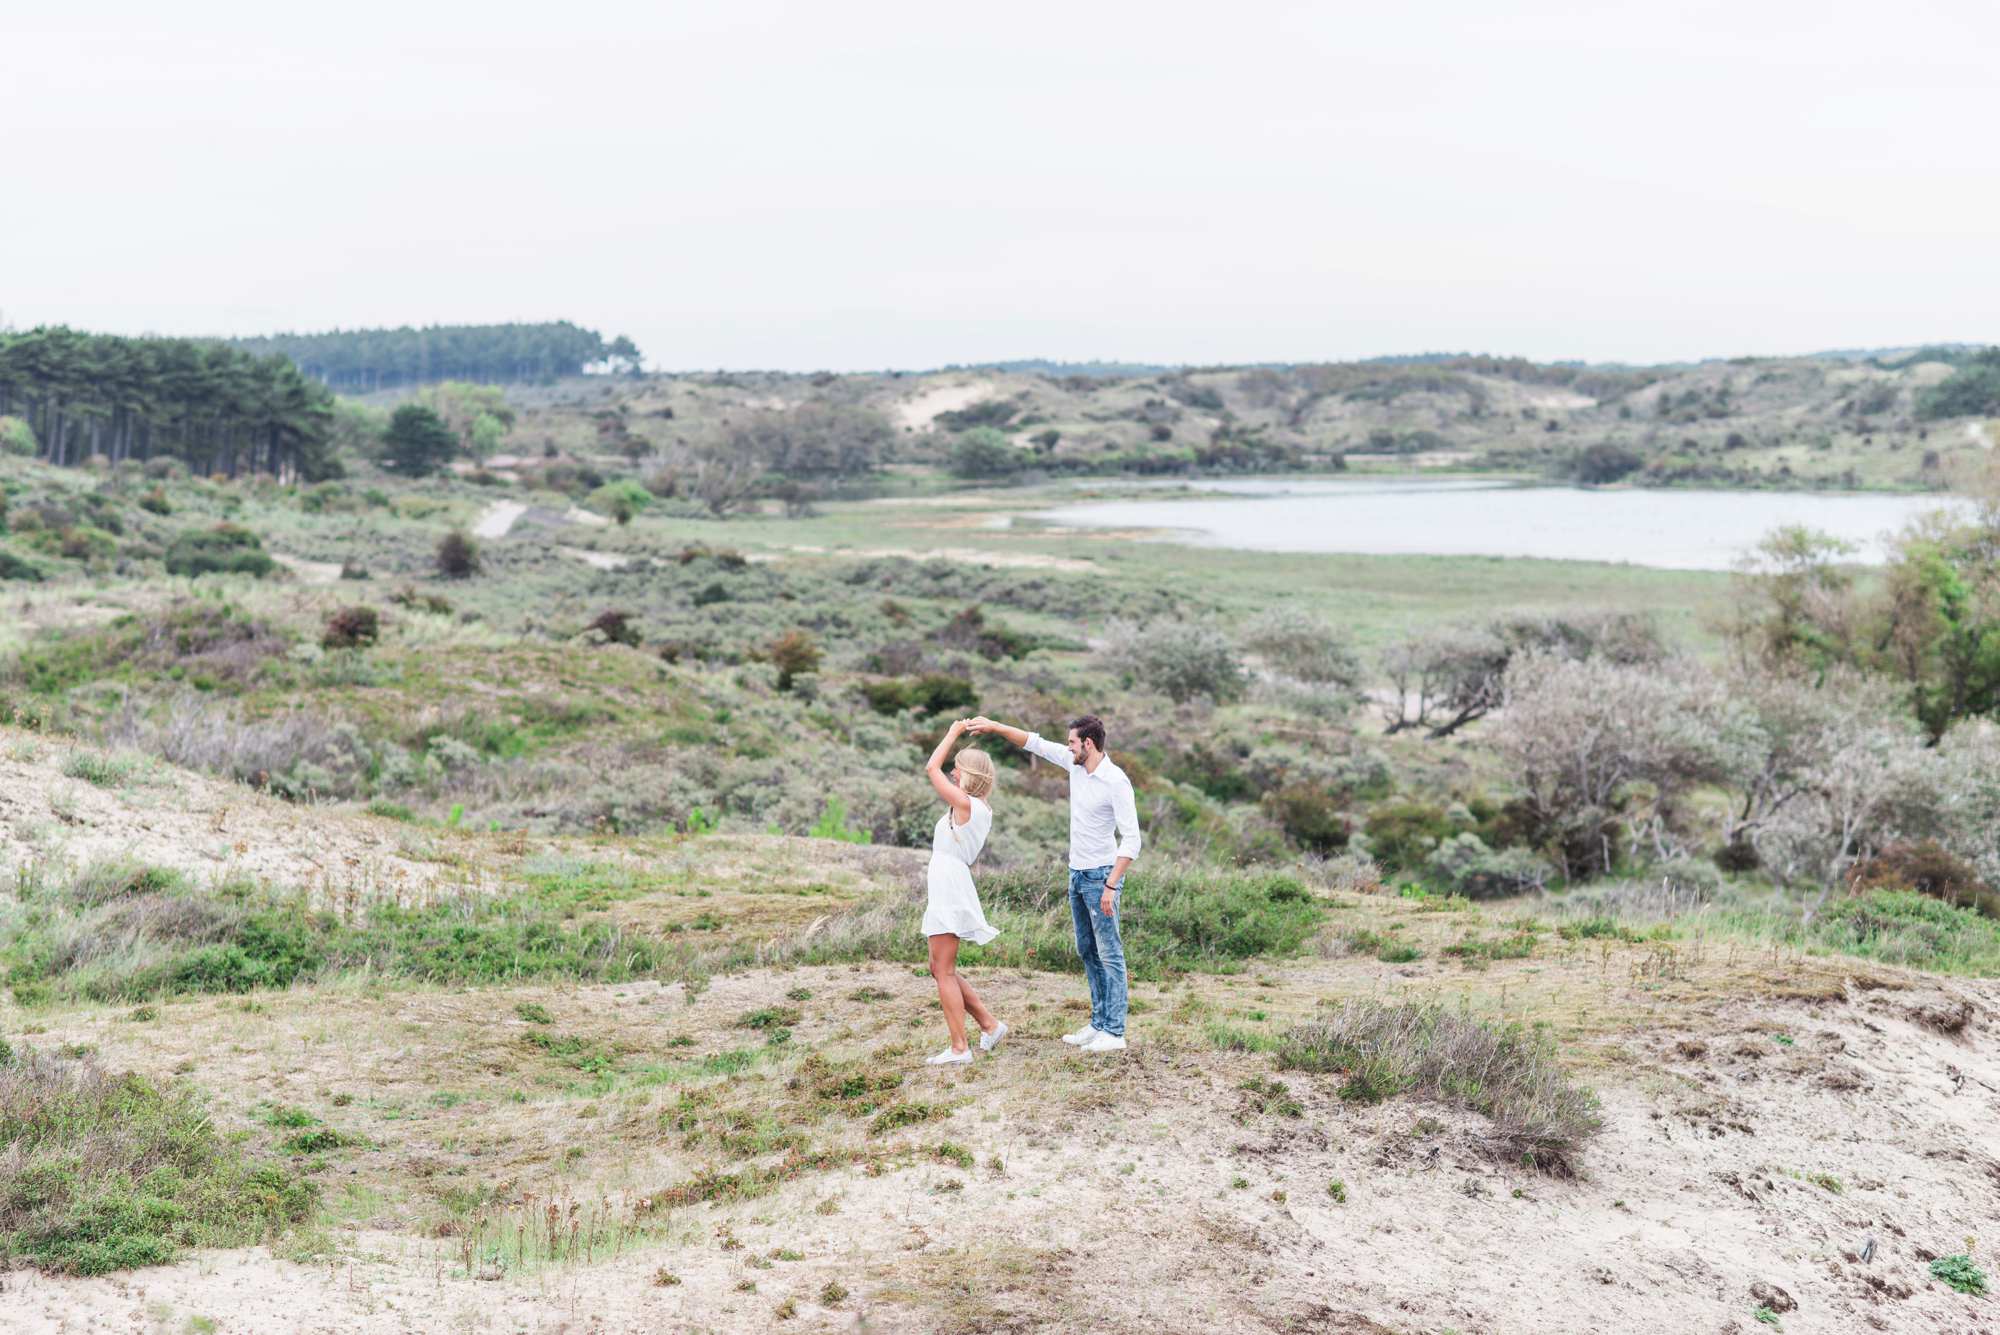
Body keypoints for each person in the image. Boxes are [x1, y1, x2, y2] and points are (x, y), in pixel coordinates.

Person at [965, 713, 1139, 1053]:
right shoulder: (1076, 766)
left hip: (1101, 876)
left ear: (1088, 744)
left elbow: (1132, 840)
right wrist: (996, 727)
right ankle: (1098, 1023)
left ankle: (1115, 1033)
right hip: (1077, 873)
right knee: (1087, 951)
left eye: (1073, 742)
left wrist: (1111, 885)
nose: (1069, 747)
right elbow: (1035, 743)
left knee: (1110, 954)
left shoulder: (1115, 781)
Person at [920, 718, 1007, 1066]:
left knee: (943, 970)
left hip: (949, 883)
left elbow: (931, 768)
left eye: (958, 770)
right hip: (948, 880)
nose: (954, 774)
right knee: (940, 967)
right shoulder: (973, 805)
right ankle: (989, 1025)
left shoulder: (968, 805)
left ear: (970, 774)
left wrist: (953, 733)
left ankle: (960, 1048)